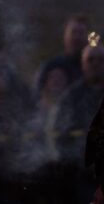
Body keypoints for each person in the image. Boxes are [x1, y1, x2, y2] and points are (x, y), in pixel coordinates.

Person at [53, 44, 104, 203]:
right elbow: (58, 135)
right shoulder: (70, 98)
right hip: (82, 175)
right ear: (82, 64)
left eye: (101, 60)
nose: (95, 64)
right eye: (90, 60)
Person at [37, 14, 90, 98]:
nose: (76, 37)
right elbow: (36, 97)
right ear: (65, 35)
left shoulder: (95, 68)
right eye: (73, 32)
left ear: (88, 37)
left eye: (81, 33)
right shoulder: (51, 66)